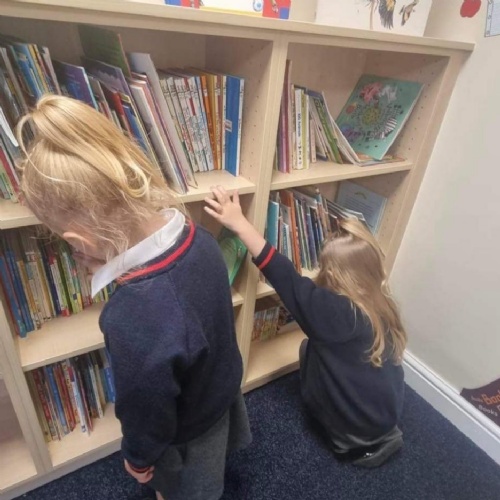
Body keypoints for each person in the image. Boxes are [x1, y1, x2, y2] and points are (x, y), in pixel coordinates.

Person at [16, 95, 251, 500]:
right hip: (220, 391)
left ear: (78, 240)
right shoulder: (199, 238)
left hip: (187, 431)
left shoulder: (131, 315)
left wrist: (139, 458)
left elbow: (145, 408)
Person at [205, 186, 406, 468]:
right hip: (386, 418)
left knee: (308, 348)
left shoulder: (332, 313)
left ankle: (349, 439)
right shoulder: (382, 300)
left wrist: (239, 223)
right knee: (323, 348)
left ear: (332, 274)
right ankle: (374, 432)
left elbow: (283, 274)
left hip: (353, 439)